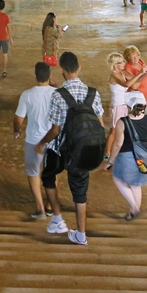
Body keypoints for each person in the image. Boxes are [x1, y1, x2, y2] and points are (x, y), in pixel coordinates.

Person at [34, 52, 105, 245]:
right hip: (82, 150)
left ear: (62, 70)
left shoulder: (58, 95)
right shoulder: (93, 93)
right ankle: (81, 234)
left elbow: (55, 130)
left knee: (48, 176)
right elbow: (100, 124)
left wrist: (41, 142)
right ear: (79, 67)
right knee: (80, 193)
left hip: (60, 149)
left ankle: (57, 219)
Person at [104, 98, 147, 220]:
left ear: (128, 106)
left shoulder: (122, 122)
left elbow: (118, 144)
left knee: (117, 179)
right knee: (135, 185)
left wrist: (110, 161)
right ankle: (132, 213)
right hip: (144, 158)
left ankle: (134, 207)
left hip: (126, 157)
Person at [14, 64, 57, 219]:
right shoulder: (57, 93)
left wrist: (16, 130)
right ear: (50, 75)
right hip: (53, 140)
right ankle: (50, 206)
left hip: (33, 140)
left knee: (33, 173)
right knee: (52, 173)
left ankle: (40, 209)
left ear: (35, 75)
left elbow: (19, 119)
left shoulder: (27, 95)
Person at [105, 52, 147, 157]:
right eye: (121, 62)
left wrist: (145, 73)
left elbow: (135, 84)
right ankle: (107, 153)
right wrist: (140, 73)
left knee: (121, 129)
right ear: (115, 65)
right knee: (113, 131)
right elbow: (126, 84)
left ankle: (118, 149)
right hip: (117, 106)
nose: (124, 63)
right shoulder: (114, 75)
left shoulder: (123, 72)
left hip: (123, 104)